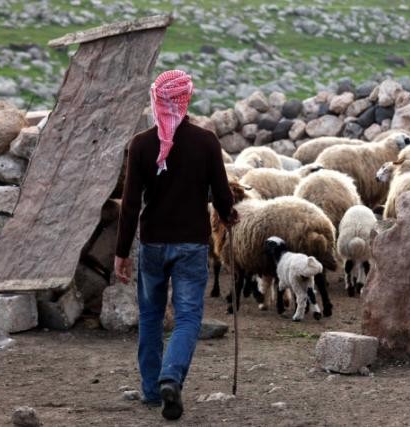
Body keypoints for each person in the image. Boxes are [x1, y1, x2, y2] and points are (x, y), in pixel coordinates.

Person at [114, 70, 236, 421]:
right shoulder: (206, 142)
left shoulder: (141, 144)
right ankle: (172, 376)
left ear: (156, 100)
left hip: (152, 244)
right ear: (187, 100)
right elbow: (222, 195)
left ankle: (152, 390)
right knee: (186, 318)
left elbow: (131, 204)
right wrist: (230, 216)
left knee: (151, 316)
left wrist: (122, 252)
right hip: (191, 245)